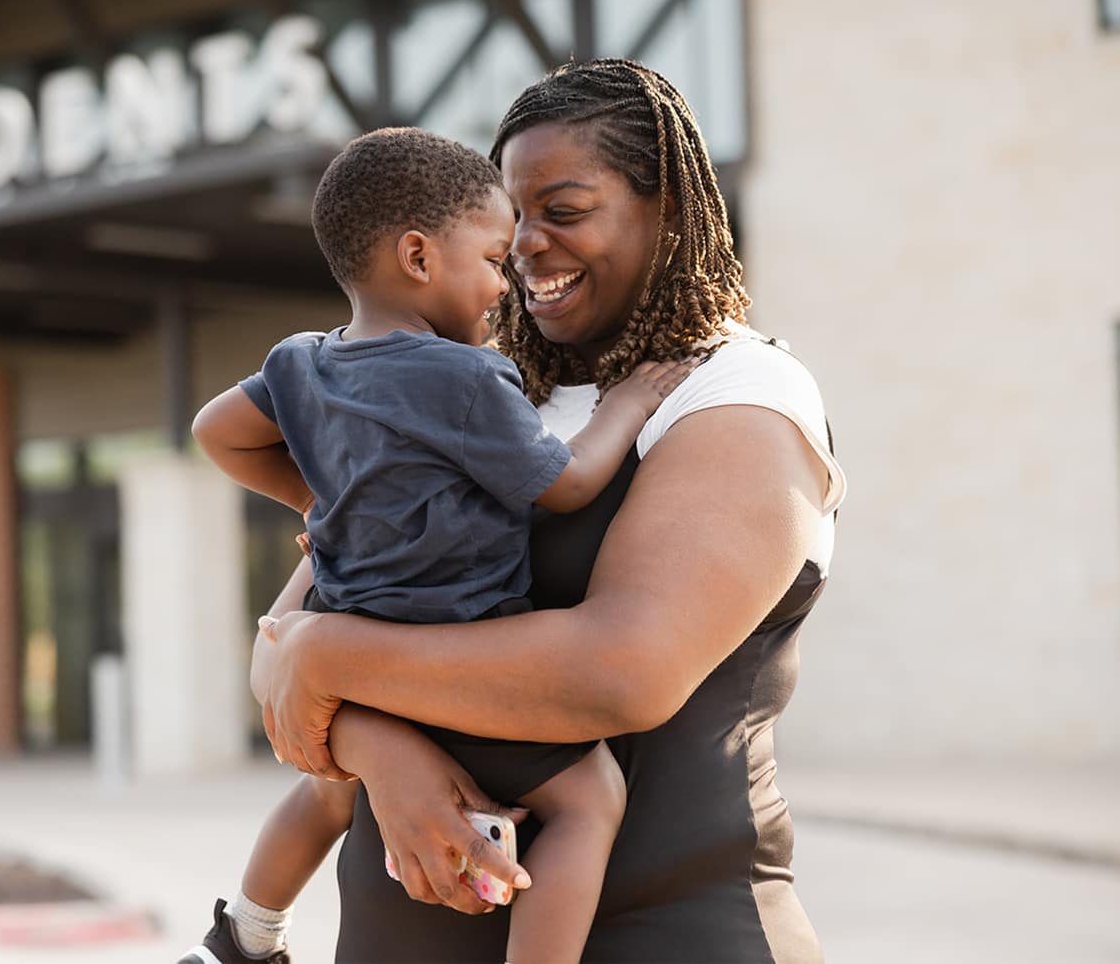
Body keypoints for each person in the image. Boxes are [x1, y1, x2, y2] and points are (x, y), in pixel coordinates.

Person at [249, 58, 846, 963]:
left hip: (669, 936)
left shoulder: (735, 393)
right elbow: (279, 658)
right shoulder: (473, 395)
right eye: (512, 216)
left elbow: (619, 672)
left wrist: (334, 661)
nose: (526, 243)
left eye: (564, 211)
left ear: (671, 215)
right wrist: (378, 749)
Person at [185, 127, 694, 964]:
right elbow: (563, 484)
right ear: (419, 257)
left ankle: (243, 934)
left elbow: (218, 433)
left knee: (324, 794)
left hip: (350, 640)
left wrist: (326, 499)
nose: (506, 282)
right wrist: (627, 408)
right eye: (494, 259)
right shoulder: (468, 376)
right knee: (589, 800)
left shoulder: (300, 364)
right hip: (454, 650)